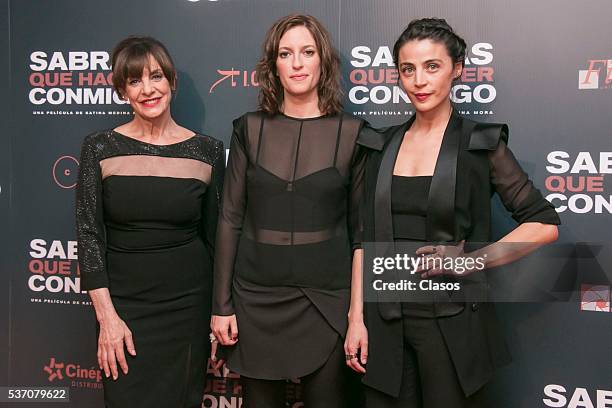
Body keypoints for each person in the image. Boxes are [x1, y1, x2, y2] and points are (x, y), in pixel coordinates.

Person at [344, 18, 561, 408]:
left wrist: (472, 261)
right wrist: (356, 318)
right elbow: (364, 241)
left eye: (432, 66)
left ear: (457, 69)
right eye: (408, 69)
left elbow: (543, 225)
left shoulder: (481, 144)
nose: (419, 81)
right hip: (384, 324)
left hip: (452, 324)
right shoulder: (379, 144)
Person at [210, 14, 366, 408]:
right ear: (274, 65)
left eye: (307, 52)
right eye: (286, 53)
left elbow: (361, 234)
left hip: (328, 302)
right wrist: (221, 305)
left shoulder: (353, 133)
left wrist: (357, 314)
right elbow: (230, 218)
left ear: (323, 62)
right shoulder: (249, 129)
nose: (297, 63)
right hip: (256, 301)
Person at [76, 36, 224, 408]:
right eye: (134, 80)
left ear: (171, 81)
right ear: (122, 91)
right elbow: (89, 235)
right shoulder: (100, 147)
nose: (148, 89)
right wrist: (107, 318)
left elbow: (215, 238)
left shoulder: (206, 150)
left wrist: (219, 310)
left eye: (155, 76)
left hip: (187, 307)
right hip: (124, 310)